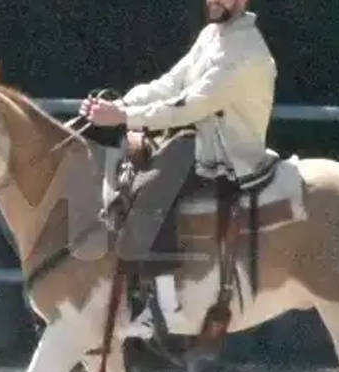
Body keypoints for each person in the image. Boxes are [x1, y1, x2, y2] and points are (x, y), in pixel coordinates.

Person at [80, 0, 277, 338]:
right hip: (198, 138)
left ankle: (166, 308)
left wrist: (125, 117)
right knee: (131, 170)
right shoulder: (212, 35)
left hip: (229, 155)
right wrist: (120, 105)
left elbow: (191, 104)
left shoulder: (246, 50)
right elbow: (171, 84)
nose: (214, 1)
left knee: (151, 188)